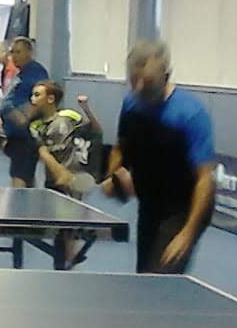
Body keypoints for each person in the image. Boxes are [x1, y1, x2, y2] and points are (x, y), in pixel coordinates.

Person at [99, 40, 215, 274]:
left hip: (183, 207)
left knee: (162, 273)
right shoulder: (131, 104)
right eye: (134, 81)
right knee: (144, 275)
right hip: (150, 202)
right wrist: (114, 175)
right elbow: (120, 148)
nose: (140, 88)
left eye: (148, 82)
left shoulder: (190, 113)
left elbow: (205, 179)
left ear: (166, 75)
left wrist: (187, 233)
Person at [30, 83, 101, 269]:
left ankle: (67, 261)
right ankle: (71, 254)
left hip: (74, 179)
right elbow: (43, 154)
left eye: (37, 95)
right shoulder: (35, 126)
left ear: (50, 98)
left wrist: (86, 109)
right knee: (62, 229)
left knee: (66, 226)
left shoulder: (69, 116)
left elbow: (95, 130)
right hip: (53, 181)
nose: (32, 99)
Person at [0, 37, 49, 187]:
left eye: (18, 52)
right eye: (12, 52)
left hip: (26, 138)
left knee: (19, 178)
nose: (14, 56)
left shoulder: (36, 72)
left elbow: (42, 98)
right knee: (25, 177)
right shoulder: (20, 74)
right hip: (15, 137)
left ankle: (17, 203)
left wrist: (22, 118)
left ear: (29, 52)